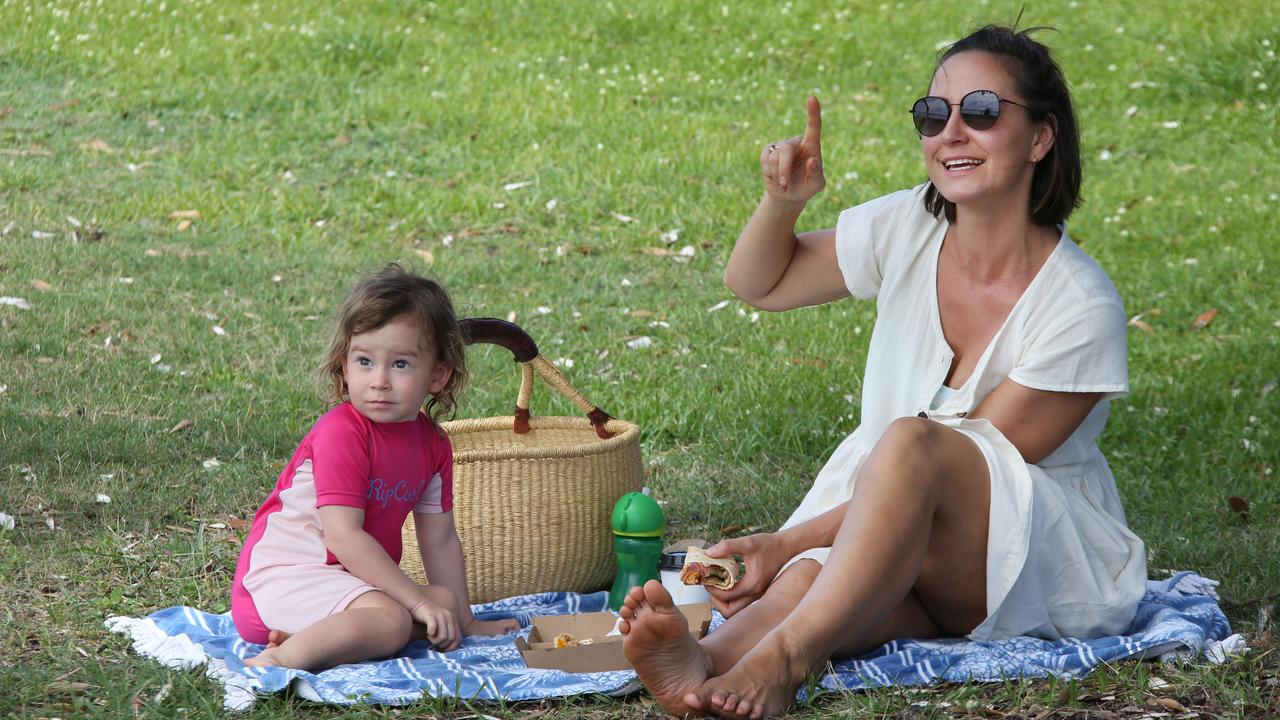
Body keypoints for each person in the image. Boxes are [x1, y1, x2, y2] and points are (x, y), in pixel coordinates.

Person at [618, 25, 1147, 719]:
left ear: (1041, 137)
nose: (951, 132)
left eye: (981, 112)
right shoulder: (910, 225)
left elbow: (960, 466)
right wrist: (784, 202)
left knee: (907, 446)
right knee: (820, 579)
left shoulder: (1080, 306)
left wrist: (785, 540)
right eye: (935, 115)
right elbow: (760, 284)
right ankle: (708, 663)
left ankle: (783, 662)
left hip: (1033, 560)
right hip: (912, 547)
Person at [230, 263, 519, 671]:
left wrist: (465, 620)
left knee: (444, 604)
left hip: (347, 582)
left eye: (400, 364)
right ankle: (277, 661)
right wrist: (413, 600)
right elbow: (344, 537)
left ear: (437, 374)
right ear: (344, 366)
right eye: (364, 361)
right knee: (395, 618)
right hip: (285, 580)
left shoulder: (432, 444)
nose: (379, 380)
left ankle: (321, 638)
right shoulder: (342, 434)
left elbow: (439, 540)